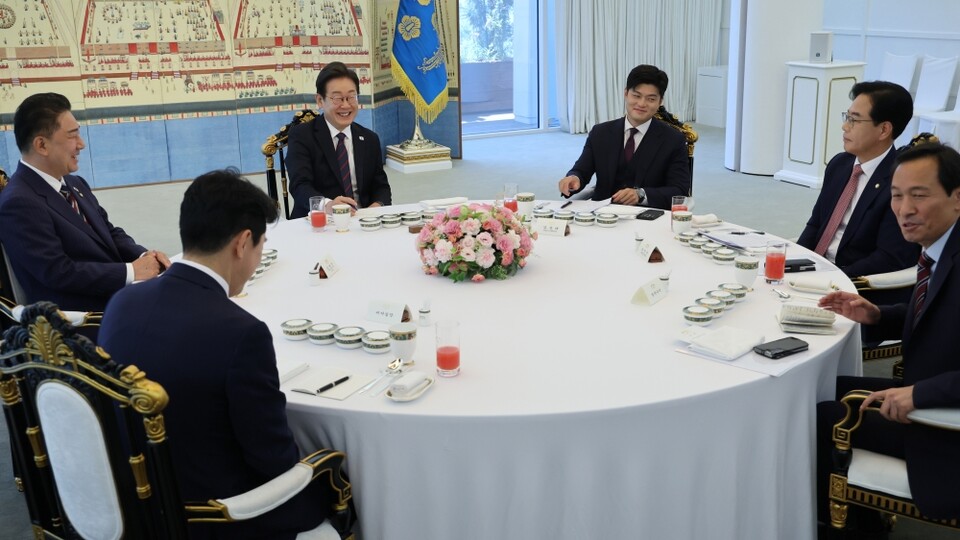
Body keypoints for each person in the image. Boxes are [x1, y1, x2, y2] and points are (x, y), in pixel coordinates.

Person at [99, 169, 338, 539]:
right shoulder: (241, 333)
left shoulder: (122, 302)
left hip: (132, 502)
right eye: (260, 246)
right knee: (339, 490)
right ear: (242, 243)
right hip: (215, 517)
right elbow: (273, 458)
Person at [816, 143, 960, 535]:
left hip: (943, 425)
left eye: (919, 195)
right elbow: (939, 318)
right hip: (929, 389)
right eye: (897, 196)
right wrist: (878, 316)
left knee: (820, 415)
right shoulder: (942, 248)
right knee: (820, 387)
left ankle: (849, 526)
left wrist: (919, 395)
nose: (904, 209)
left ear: (957, 197)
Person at [0, 92, 168, 312]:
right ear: (42, 145)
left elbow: (109, 233)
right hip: (81, 319)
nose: (81, 144)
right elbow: (58, 272)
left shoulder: (74, 183)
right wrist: (131, 271)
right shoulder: (18, 203)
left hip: (117, 299)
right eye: (72, 136)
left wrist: (145, 257)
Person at [797, 81, 919, 279]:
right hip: (815, 270)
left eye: (854, 120)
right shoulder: (839, 164)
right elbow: (816, 225)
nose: (845, 126)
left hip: (854, 282)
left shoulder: (901, 183)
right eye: (847, 117)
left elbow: (889, 258)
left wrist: (833, 278)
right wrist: (793, 263)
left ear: (884, 130)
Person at [557, 64, 691, 210]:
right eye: (636, 96)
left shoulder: (673, 140)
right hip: (602, 214)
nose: (641, 104)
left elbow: (679, 190)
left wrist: (641, 194)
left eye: (651, 99)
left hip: (647, 215)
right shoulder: (600, 133)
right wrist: (573, 178)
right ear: (626, 93)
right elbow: (581, 171)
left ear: (660, 101)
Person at [287, 61, 391, 218]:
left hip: (361, 221)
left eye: (351, 97)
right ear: (320, 100)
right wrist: (327, 205)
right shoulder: (302, 136)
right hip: (320, 220)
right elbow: (300, 186)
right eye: (337, 98)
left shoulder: (369, 139)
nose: (346, 105)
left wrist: (377, 206)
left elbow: (381, 187)